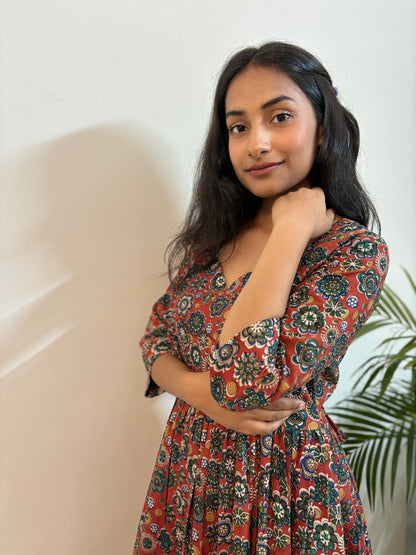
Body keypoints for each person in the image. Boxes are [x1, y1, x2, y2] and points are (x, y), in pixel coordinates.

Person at [133, 42, 389, 554]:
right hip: (187, 478)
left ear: (322, 126)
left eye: (280, 116)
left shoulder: (353, 253)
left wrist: (291, 231)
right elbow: (155, 339)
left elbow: (245, 384)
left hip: (285, 490)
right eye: (239, 126)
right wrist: (201, 394)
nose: (257, 143)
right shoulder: (212, 241)